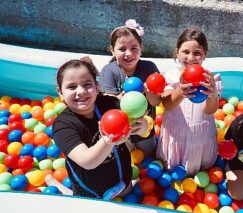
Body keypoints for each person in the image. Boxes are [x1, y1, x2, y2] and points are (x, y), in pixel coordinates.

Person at [53, 59, 148, 199]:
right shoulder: (63, 126)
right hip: (89, 190)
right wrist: (107, 142)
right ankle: (55, 184)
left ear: (97, 86)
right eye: (72, 87)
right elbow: (87, 161)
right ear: (60, 92)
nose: (81, 91)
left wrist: (142, 126)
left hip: (122, 179)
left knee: (128, 194)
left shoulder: (110, 104)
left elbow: (143, 128)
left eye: (87, 84)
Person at [156, 28, 222, 175]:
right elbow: (167, 104)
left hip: (201, 135)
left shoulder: (211, 80)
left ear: (204, 56)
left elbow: (209, 110)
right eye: (186, 52)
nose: (191, 58)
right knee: (170, 170)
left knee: (200, 171)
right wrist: (180, 91)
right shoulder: (170, 77)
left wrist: (212, 94)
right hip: (175, 133)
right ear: (177, 52)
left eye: (197, 53)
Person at [100, 19, 161, 155]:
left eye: (134, 48)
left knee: (149, 156)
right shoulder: (109, 71)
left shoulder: (149, 68)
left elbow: (156, 102)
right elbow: (107, 105)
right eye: (122, 49)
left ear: (141, 49)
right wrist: (120, 98)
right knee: (124, 159)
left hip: (145, 126)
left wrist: (150, 92)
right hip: (120, 130)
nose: (128, 54)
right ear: (112, 50)